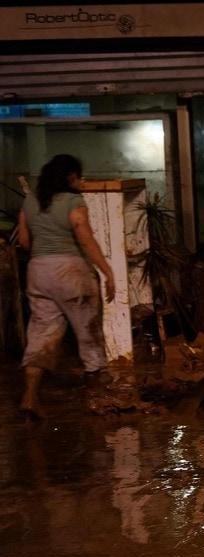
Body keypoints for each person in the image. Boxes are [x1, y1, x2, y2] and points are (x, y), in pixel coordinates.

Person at [13, 154, 116, 420]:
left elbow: (24, 242)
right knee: (88, 333)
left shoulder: (30, 202)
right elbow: (85, 239)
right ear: (70, 177)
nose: (81, 182)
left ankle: (29, 397)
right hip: (71, 272)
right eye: (79, 177)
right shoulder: (73, 201)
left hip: (37, 271)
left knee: (41, 335)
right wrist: (107, 271)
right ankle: (97, 400)